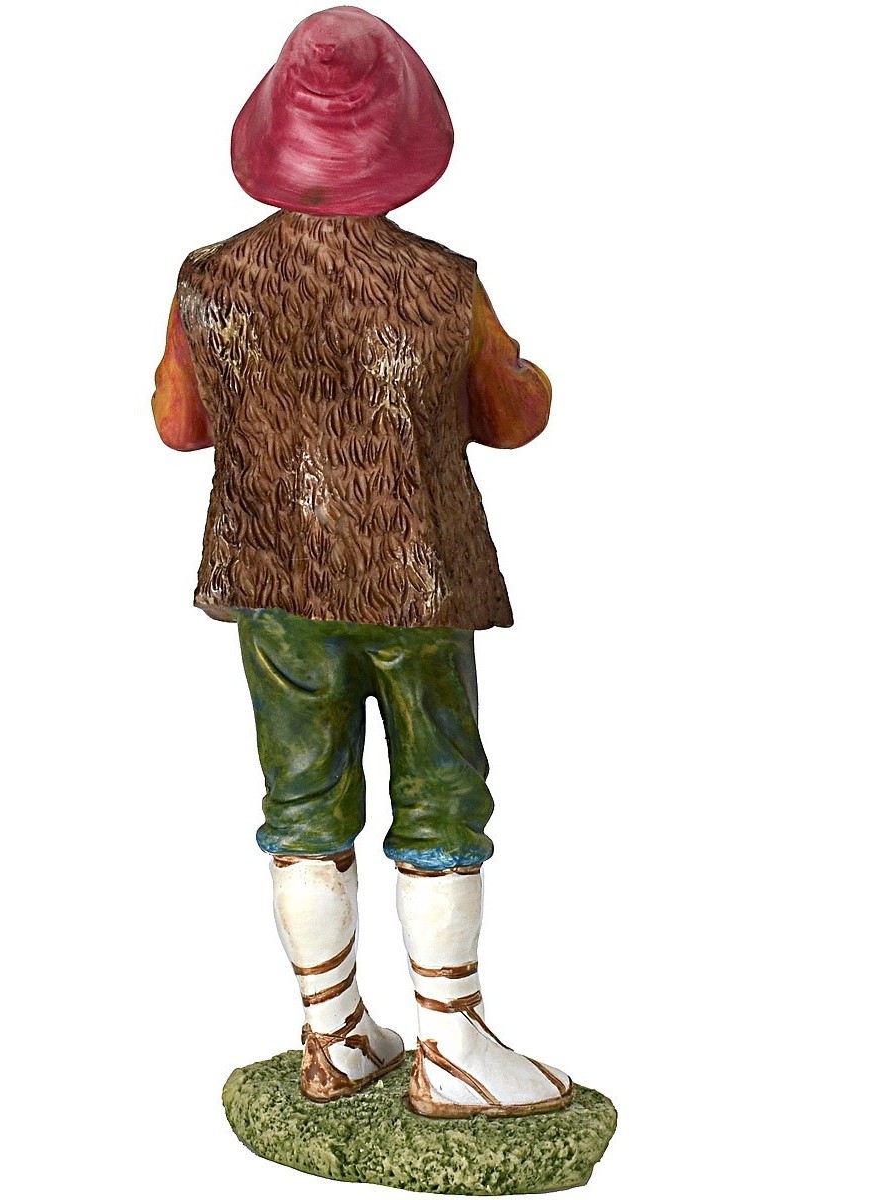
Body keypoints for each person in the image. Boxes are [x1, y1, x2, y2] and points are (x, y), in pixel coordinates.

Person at [151, 5, 570, 1117]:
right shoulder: (443, 283)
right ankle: (451, 1041)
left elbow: (178, 424)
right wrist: (524, 374)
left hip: (272, 579)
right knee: (441, 792)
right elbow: (514, 416)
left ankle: (333, 1034)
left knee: (299, 800)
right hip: (414, 579)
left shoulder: (208, 280)